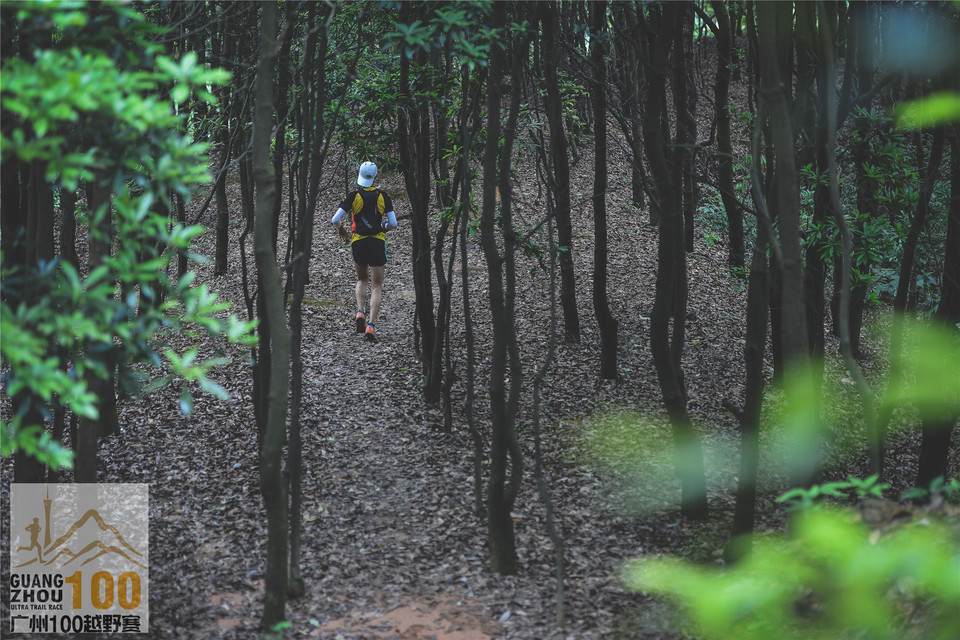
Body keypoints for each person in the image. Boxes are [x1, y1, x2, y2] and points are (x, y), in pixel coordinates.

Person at [332, 161, 397, 342]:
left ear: (359, 174)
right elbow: (393, 224)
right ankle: (371, 325)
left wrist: (341, 229)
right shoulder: (383, 196)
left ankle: (360, 312)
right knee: (377, 285)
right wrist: (383, 225)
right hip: (377, 242)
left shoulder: (353, 196)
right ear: (376, 176)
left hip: (358, 242)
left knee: (362, 279)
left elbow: (335, 219)